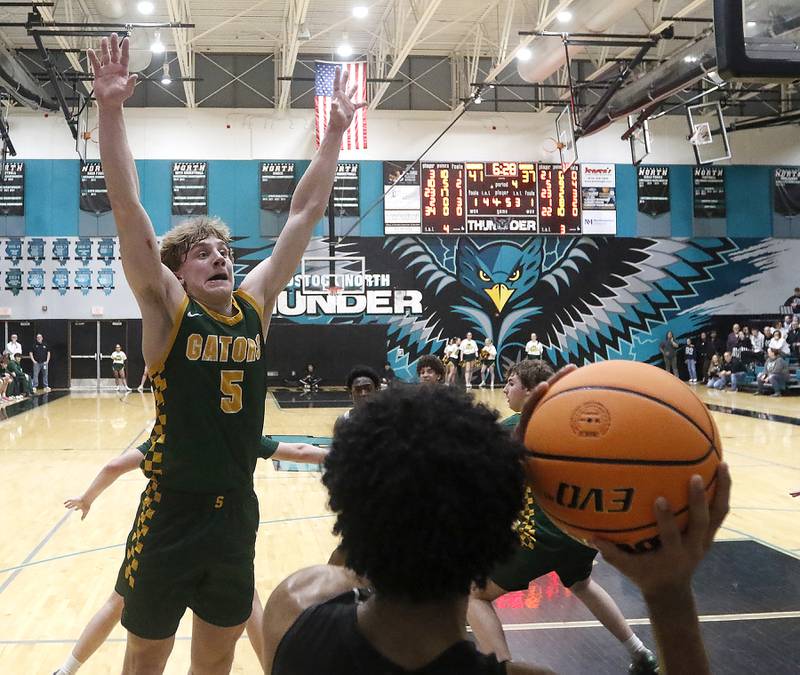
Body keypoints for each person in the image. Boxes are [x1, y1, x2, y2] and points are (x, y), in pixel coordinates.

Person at [89, 32, 363, 673]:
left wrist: (333, 136)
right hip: (172, 510)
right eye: (203, 253)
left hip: (236, 511)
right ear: (179, 273)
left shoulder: (253, 307)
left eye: (226, 252)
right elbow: (128, 208)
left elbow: (304, 212)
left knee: (217, 660)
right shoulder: (168, 310)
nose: (221, 257)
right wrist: (109, 109)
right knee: (145, 659)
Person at [261, 382, 732, 675]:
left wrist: (380, 488)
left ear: (347, 509)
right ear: (499, 534)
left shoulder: (296, 605)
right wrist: (669, 596)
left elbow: (346, 570)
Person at [54, 435, 327, 675]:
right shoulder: (236, 432)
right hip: (225, 530)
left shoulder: (169, 436)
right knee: (244, 609)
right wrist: (342, 453)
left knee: (120, 605)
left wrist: (87, 498)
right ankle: (274, 669)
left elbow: (113, 466)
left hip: (166, 533)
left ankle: (66, 670)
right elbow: (299, 451)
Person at [468, 360, 657, 674]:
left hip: (542, 537)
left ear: (530, 389)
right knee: (582, 584)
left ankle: (498, 670)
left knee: (474, 593)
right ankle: (640, 653)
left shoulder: (515, 425)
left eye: (511, 382)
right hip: (582, 531)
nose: (505, 388)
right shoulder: (574, 423)